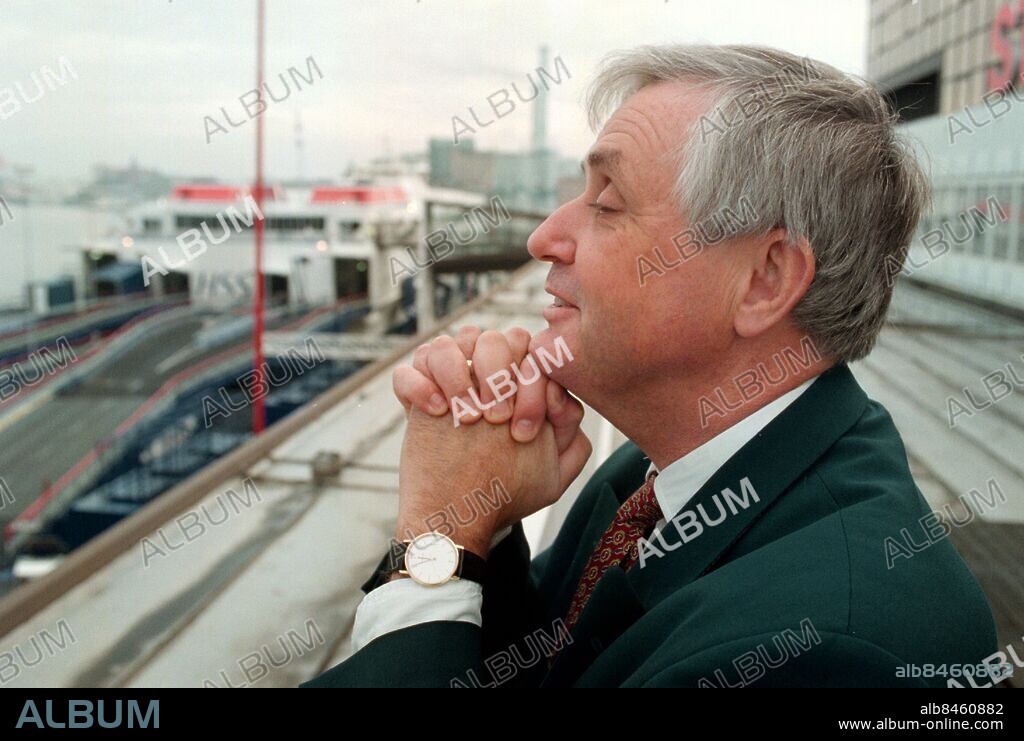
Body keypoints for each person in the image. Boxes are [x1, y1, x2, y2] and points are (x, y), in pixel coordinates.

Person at [301, 44, 998, 688]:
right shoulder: (656, 471)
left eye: (607, 203)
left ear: (764, 280)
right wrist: (480, 517)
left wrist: (435, 542)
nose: (545, 236)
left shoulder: (834, 648)